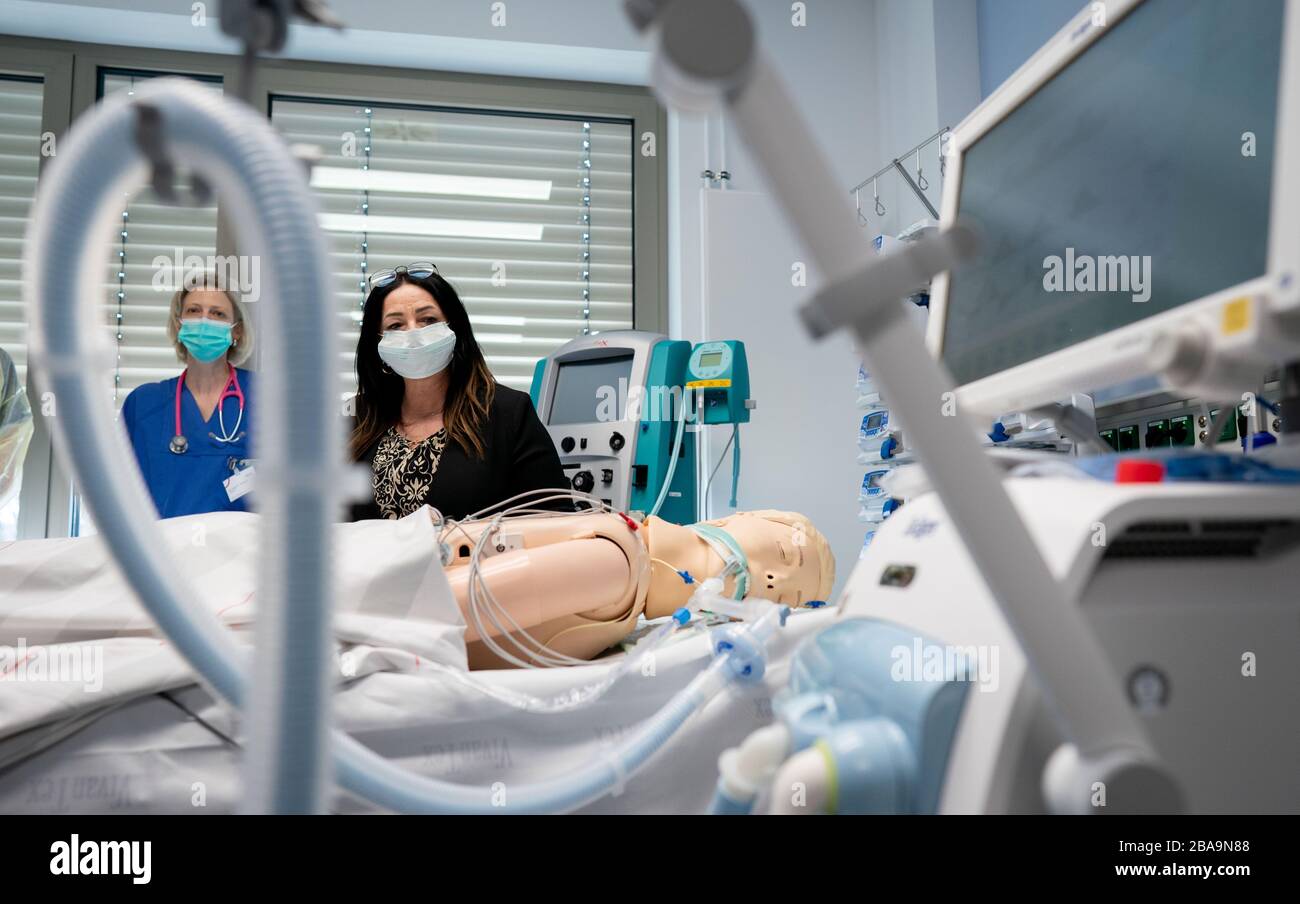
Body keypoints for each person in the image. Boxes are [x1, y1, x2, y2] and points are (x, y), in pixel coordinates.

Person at [348, 262, 567, 521]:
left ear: (455, 329)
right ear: (378, 343)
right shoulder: (358, 420)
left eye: (428, 319)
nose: (414, 333)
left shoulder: (508, 414)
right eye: (396, 325)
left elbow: (557, 520)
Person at [121, 274, 256, 518]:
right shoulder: (143, 405)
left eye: (218, 313)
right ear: (178, 324)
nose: (205, 320)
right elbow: (118, 496)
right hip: (162, 552)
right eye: (194, 311)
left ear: (237, 331)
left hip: (240, 553)